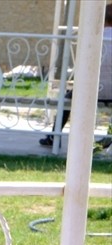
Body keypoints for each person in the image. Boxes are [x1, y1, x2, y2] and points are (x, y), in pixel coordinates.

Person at [40, 2, 112, 148]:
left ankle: (54, 136)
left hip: (93, 89)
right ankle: (109, 136)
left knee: (66, 98)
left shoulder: (94, 37)